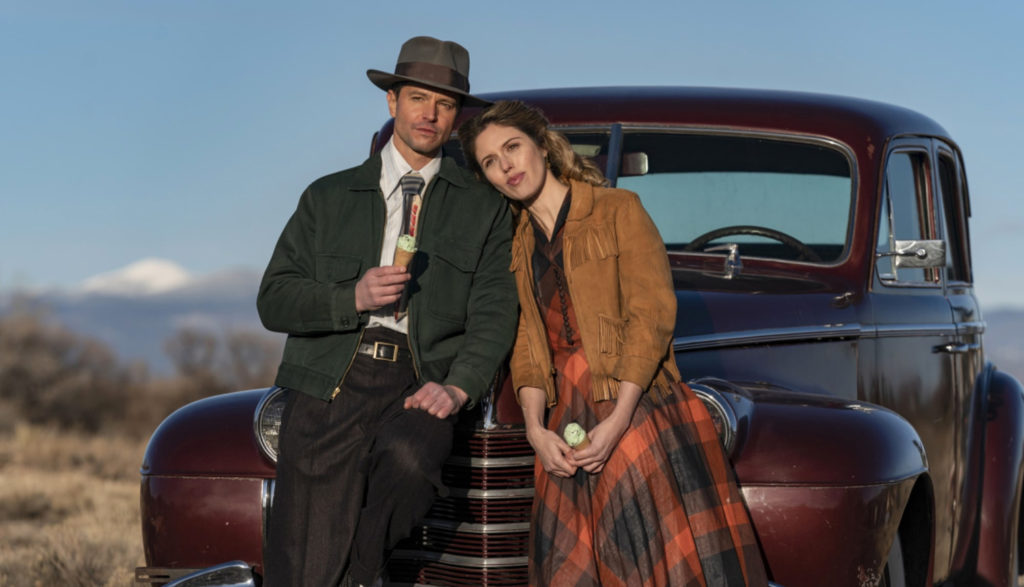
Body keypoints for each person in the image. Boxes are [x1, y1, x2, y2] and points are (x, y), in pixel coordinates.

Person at [459, 100, 769, 587]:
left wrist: (620, 417)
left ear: (541, 144)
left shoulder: (616, 209)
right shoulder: (514, 245)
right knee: (569, 561)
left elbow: (652, 314)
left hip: (634, 401)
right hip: (564, 419)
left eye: (512, 147)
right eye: (490, 162)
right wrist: (537, 431)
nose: (506, 166)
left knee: (646, 558)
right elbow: (527, 349)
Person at [256, 37, 517, 587]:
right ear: (391, 102)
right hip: (329, 378)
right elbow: (273, 298)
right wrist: (349, 296)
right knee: (304, 560)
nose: (430, 113)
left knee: (413, 459)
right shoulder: (327, 197)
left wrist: (460, 386)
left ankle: (357, 576)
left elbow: (496, 311)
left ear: (455, 118)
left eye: (444, 104)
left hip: (419, 381)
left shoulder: (484, 206)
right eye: (418, 97)